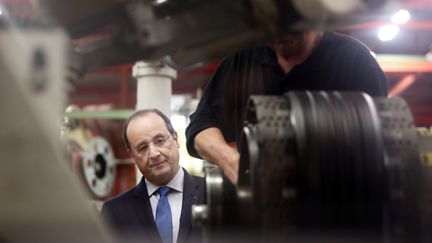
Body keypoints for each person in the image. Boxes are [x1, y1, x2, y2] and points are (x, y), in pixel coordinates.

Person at [185, 31, 388, 184]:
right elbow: (200, 127)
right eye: (270, 29)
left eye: (290, 25)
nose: (280, 35)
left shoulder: (355, 61)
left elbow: (385, 143)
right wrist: (231, 161)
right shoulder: (242, 59)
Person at [102, 109, 205, 243]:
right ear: (132, 156)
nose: (154, 153)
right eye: (142, 147)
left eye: (160, 140)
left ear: (175, 139)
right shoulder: (114, 212)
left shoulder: (213, 194)